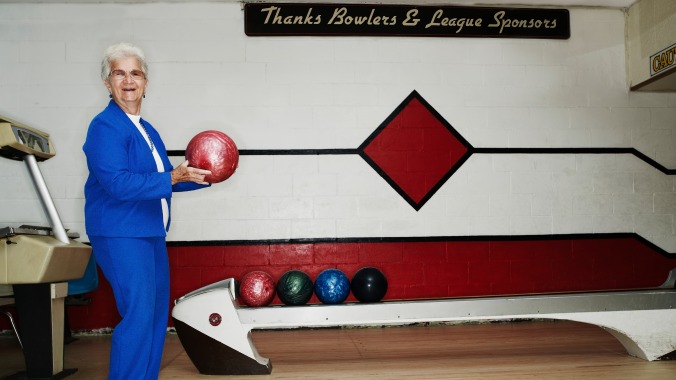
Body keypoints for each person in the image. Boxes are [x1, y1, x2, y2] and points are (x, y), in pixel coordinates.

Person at [82, 42, 212, 380]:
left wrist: (207, 175)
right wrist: (173, 176)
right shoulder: (105, 127)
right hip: (121, 232)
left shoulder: (146, 128)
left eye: (135, 73)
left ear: (146, 82)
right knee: (139, 315)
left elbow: (163, 180)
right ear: (107, 83)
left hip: (149, 231)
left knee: (154, 316)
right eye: (119, 73)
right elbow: (119, 184)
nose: (128, 80)